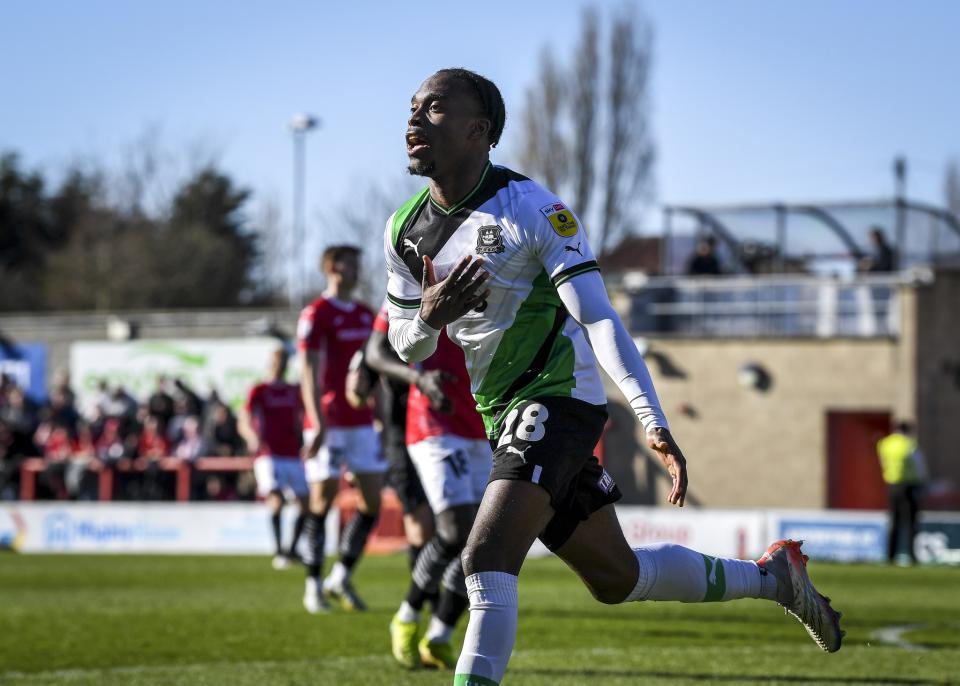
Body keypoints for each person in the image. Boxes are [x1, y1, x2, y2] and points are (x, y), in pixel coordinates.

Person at [383, 68, 844, 685]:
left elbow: (599, 318)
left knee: (486, 557)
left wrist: (652, 421)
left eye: (434, 109)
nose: (415, 118)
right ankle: (772, 579)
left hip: (557, 401)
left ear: (479, 131)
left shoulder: (533, 209)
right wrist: (431, 318)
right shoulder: (403, 229)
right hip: (501, 413)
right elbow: (405, 344)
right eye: (413, 107)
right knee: (618, 580)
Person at [366, 304, 491, 670]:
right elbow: (375, 352)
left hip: (481, 424)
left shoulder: (493, 271)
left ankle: (438, 636)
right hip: (432, 424)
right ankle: (406, 616)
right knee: (453, 530)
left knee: (483, 542)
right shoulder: (408, 285)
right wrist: (418, 379)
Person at [298, 245, 383, 613]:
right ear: (333, 268)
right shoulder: (316, 313)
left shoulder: (367, 314)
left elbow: (375, 368)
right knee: (323, 499)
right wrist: (316, 421)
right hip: (328, 422)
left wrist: (378, 412)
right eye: (351, 263)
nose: (357, 269)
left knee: (373, 501)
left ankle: (341, 574)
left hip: (361, 424)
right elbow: (307, 371)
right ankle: (313, 584)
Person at [238, 348, 309, 570]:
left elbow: (303, 418)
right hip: (268, 454)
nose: (280, 365)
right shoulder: (259, 390)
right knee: (276, 498)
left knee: (306, 503)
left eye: (283, 361)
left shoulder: (293, 390)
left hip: (292, 452)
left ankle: (292, 548)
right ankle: (279, 551)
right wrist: (251, 437)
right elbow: (244, 418)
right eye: (277, 361)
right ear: (270, 363)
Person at [877, 421, 927, 564]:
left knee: (894, 521)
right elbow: (920, 467)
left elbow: (883, 463)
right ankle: (912, 556)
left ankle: (890, 555)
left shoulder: (885, 444)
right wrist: (924, 482)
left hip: (892, 486)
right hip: (909, 486)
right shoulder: (909, 445)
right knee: (911, 522)